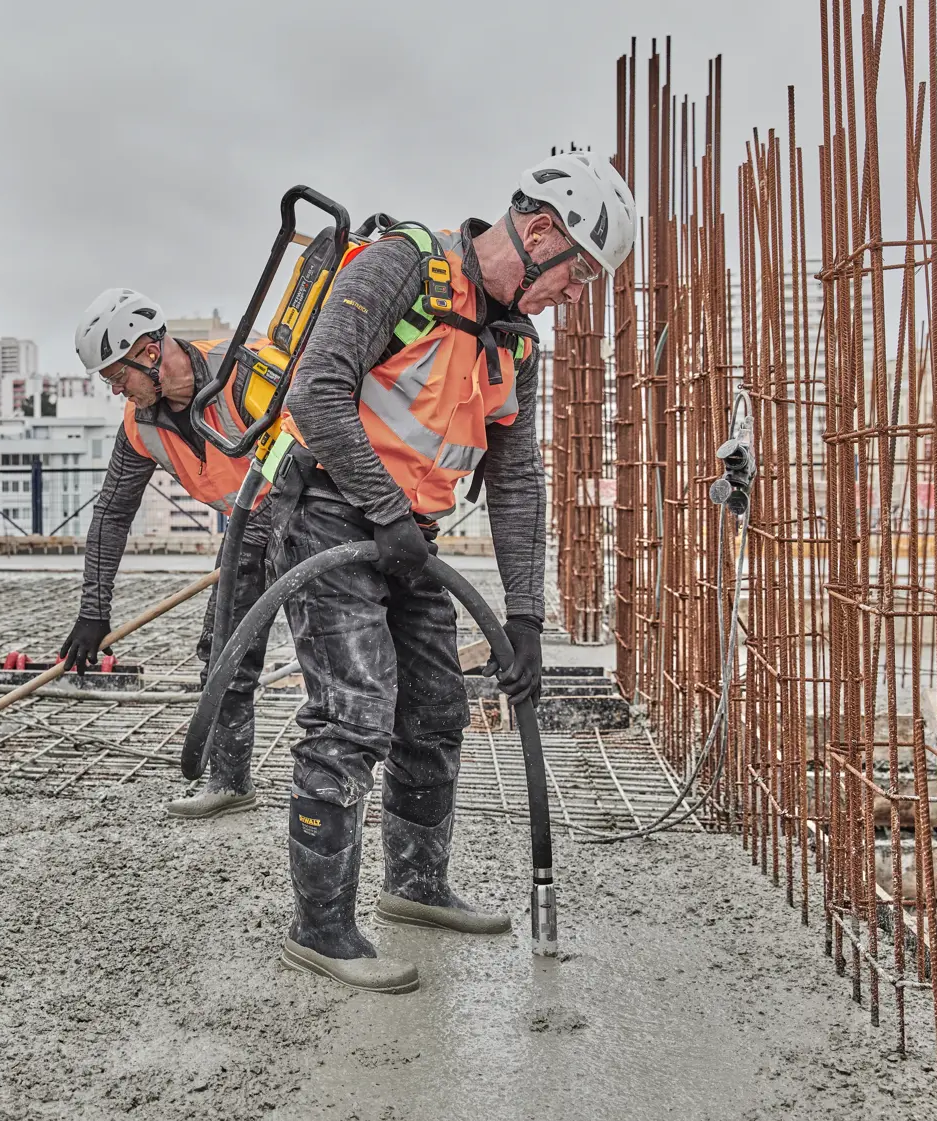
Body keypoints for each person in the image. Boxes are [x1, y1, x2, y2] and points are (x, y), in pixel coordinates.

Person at [269, 152, 637, 992]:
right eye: (577, 274)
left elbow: (516, 482)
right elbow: (315, 392)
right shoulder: (405, 266)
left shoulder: (516, 345)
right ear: (540, 229)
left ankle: (415, 883)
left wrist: (526, 617)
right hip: (328, 513)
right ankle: (319, 925)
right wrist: (384, 510)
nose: (575, 295)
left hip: (409, 534)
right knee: (354, 711)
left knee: (436, 706)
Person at [61, 288, 272, 819]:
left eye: (117, 377)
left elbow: (323, 442)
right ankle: (230, 782)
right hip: (248, 527)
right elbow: (111, 514)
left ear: (150, 352)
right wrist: (93, 610)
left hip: (313, 519)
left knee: (333, 658)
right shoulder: (141, 425)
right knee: (223, 653)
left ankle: (339, 793)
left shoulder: (243, 374)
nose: (116, 391)